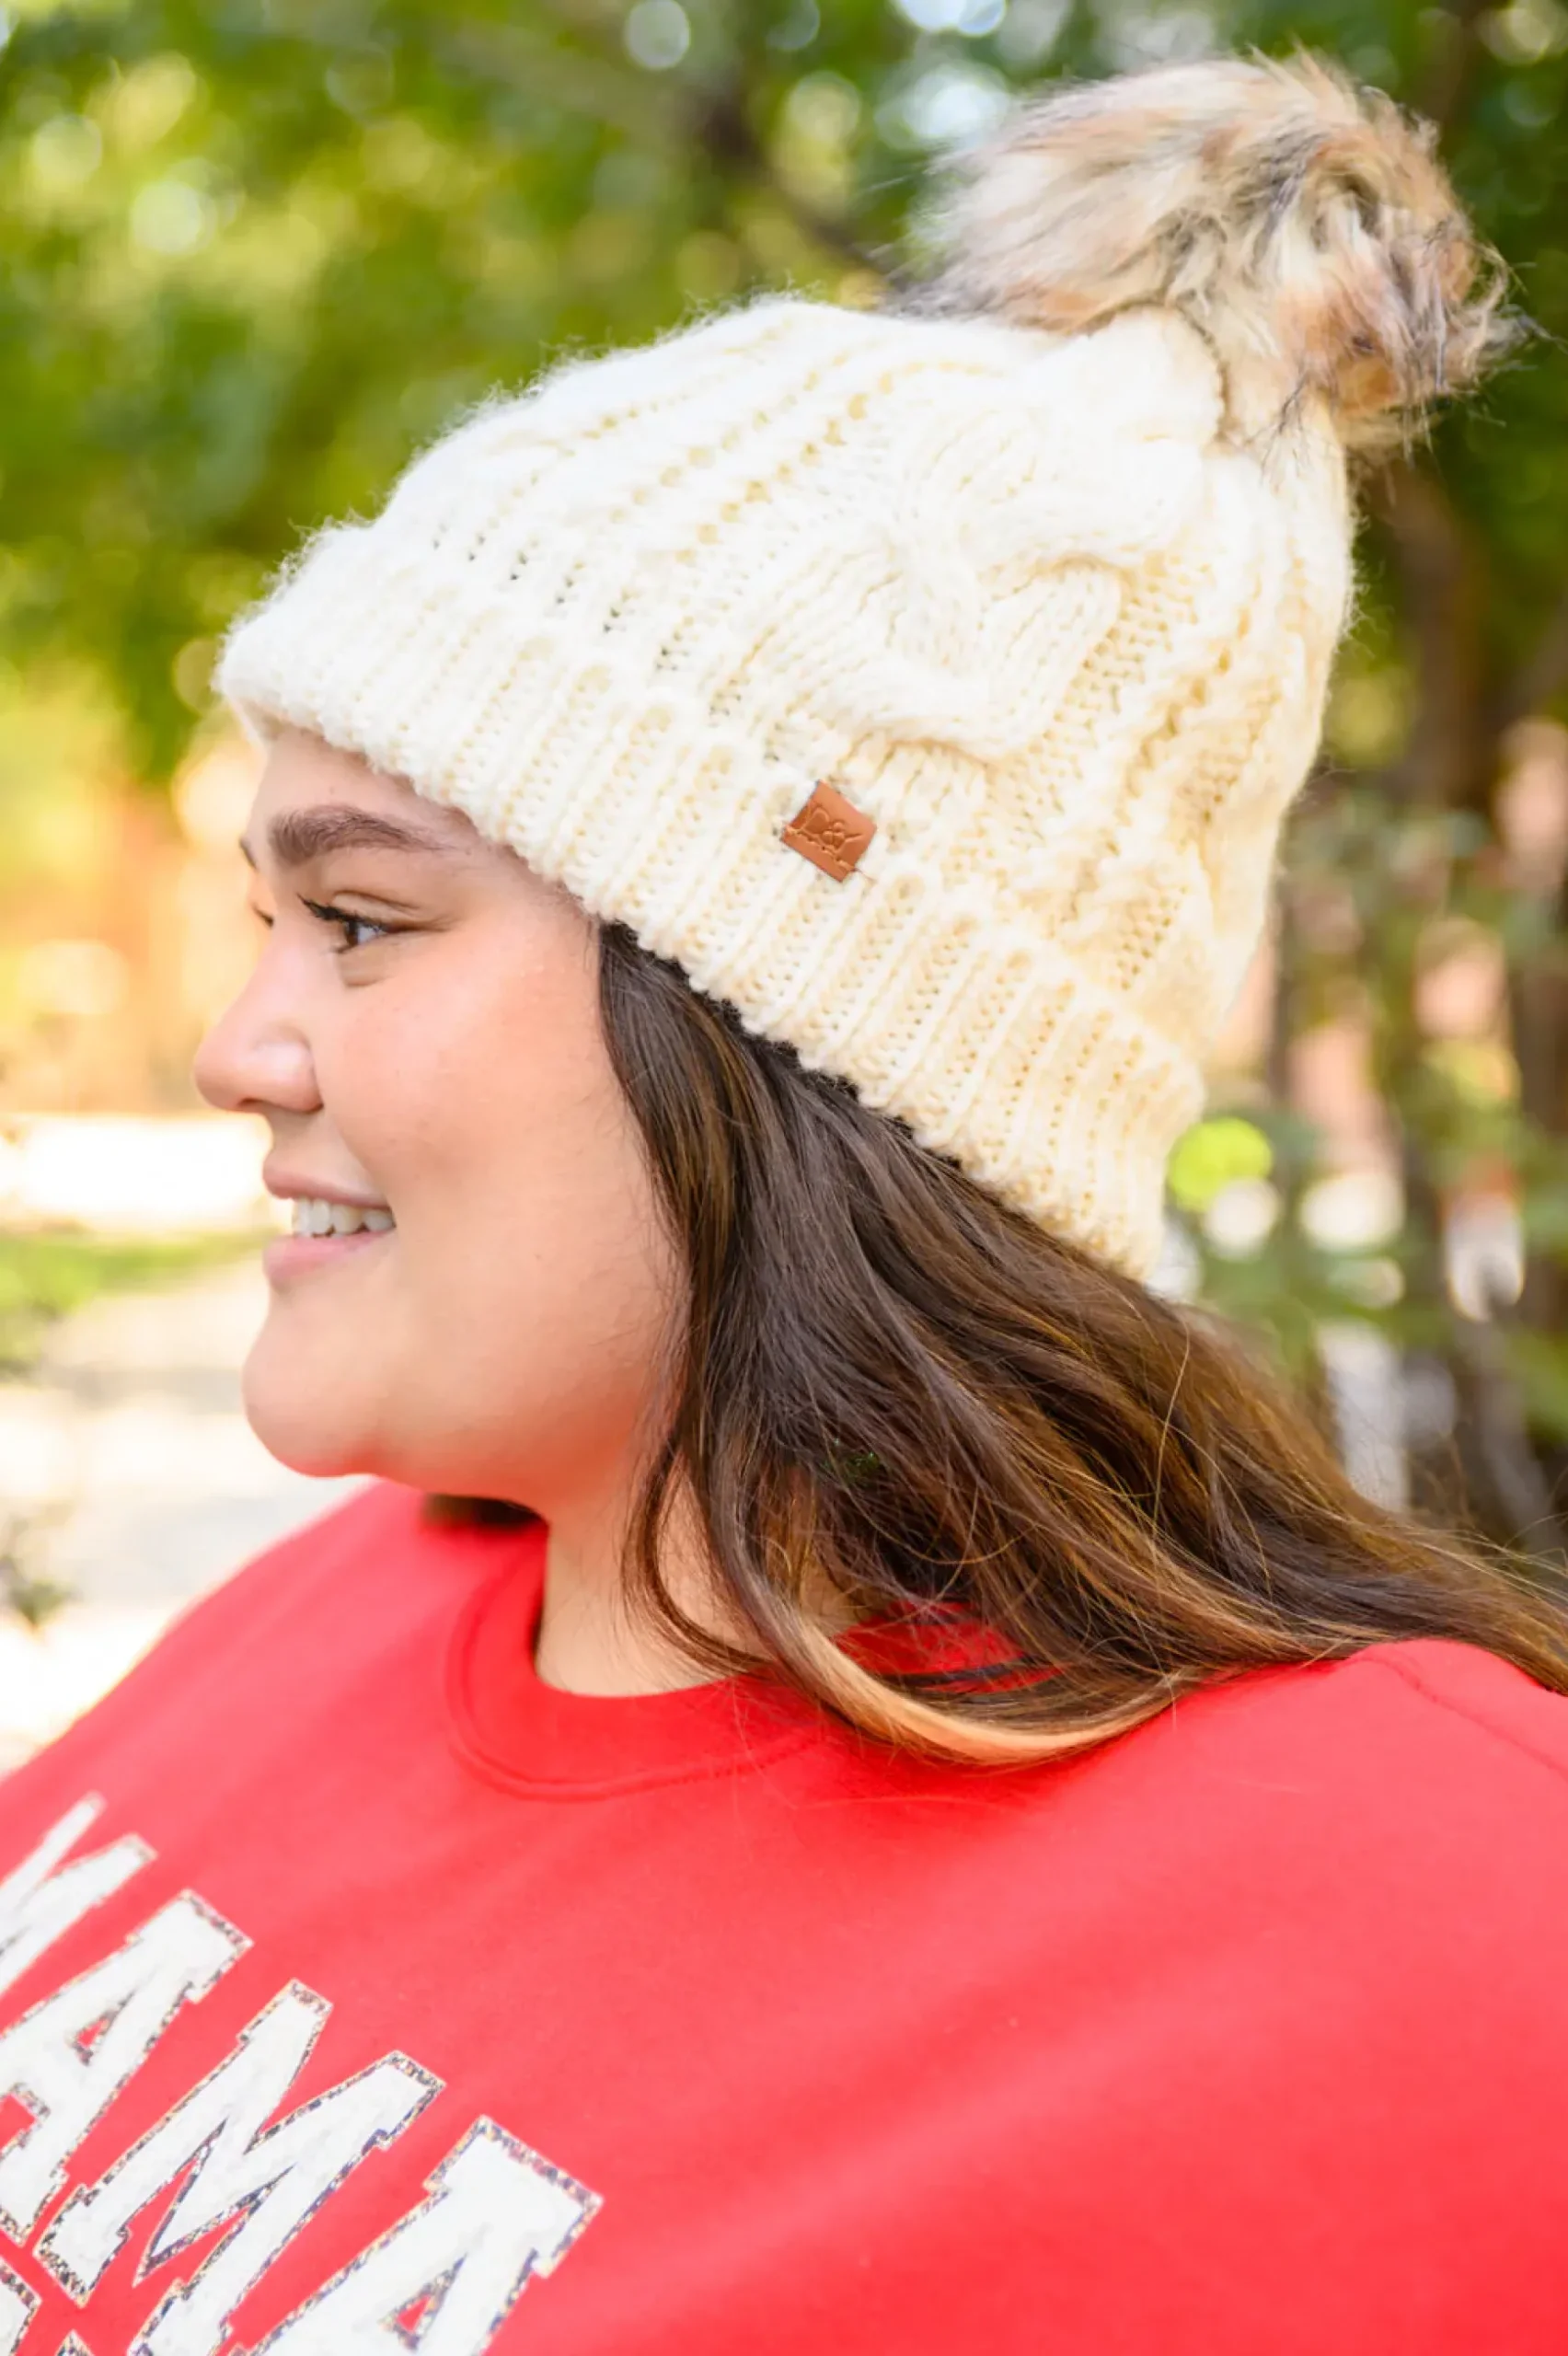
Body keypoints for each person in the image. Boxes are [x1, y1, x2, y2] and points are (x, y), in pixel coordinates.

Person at [2, 51, 1566, 2356]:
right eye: (265, 919)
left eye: (361, 921)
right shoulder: (349, 1598)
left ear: (785, 1018)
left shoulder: (1437, 1925)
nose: (239, 1044)